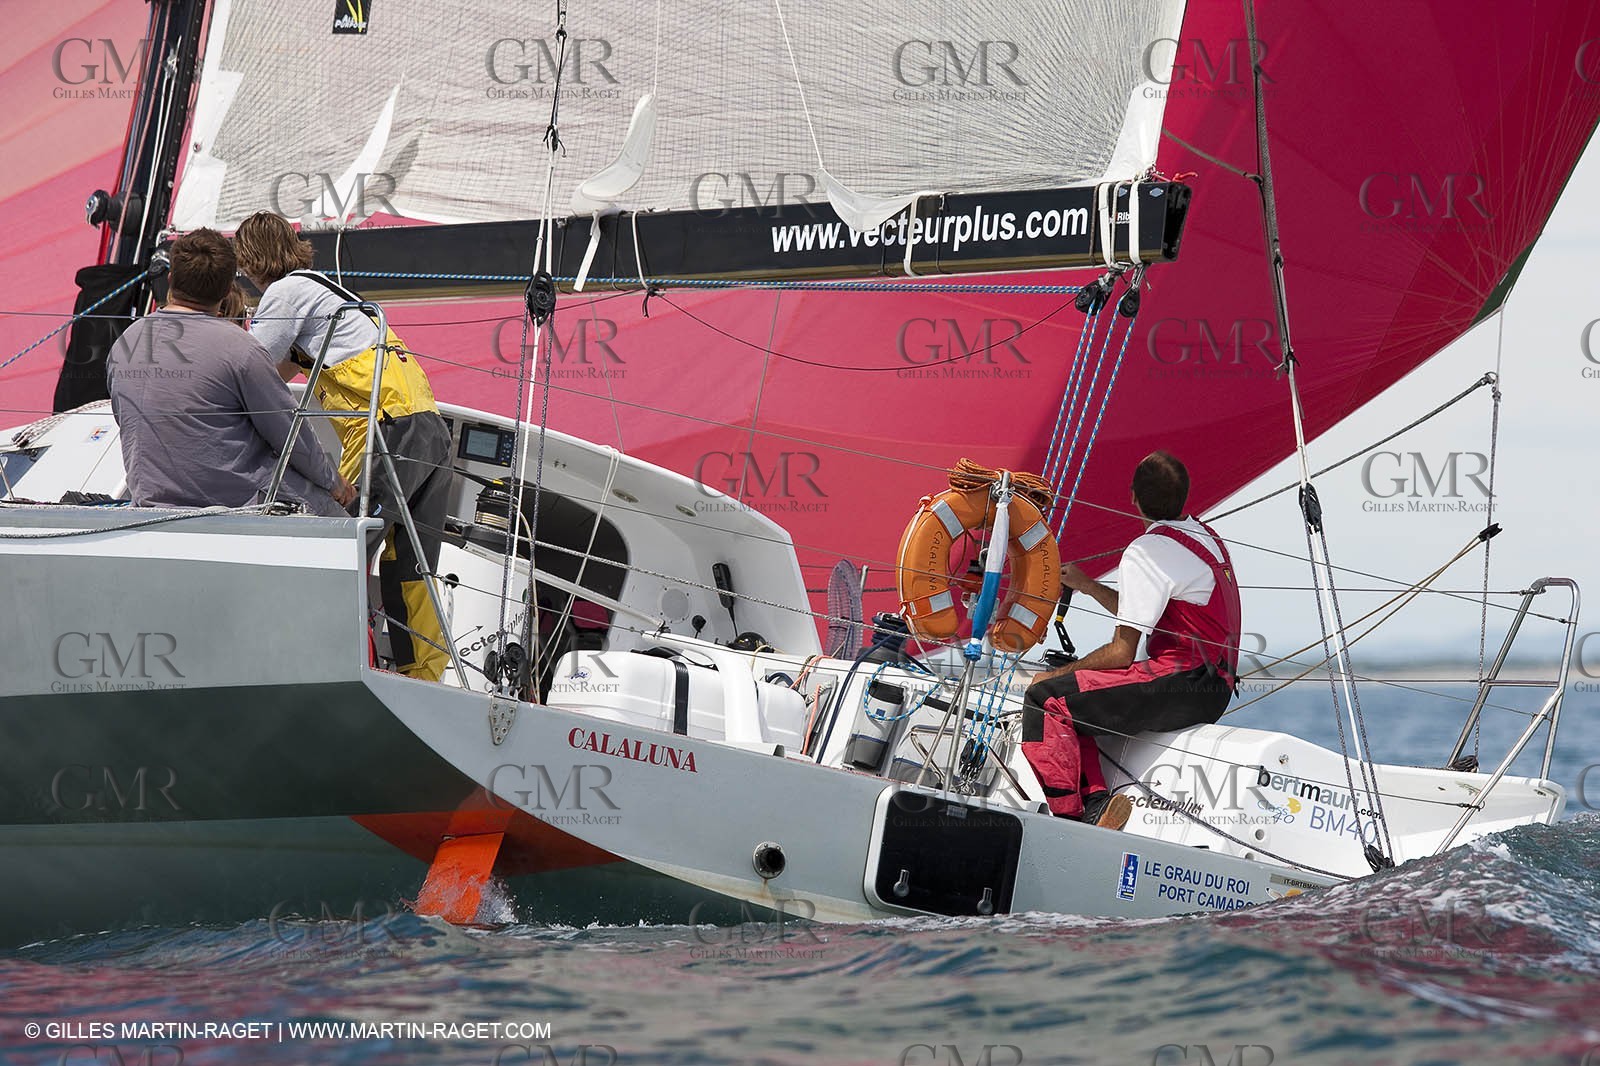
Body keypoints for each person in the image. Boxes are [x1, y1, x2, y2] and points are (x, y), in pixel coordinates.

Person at [233, 211, 452, 682]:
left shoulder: (283, 293)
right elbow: (281, 374)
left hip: (387, 428)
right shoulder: (325, 292)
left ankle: (308, 661)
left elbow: (249, 372)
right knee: (410, 563)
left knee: (338, 544)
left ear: (251, 260)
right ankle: (424, 678)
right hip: (427, 424)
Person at [1022, 451, 1241, 829]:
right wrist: (1088, 587)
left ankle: (1070, 821)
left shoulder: (1145, 551)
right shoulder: (1203, 536)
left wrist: (1048, 678)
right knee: (1070, 696)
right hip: (1211, 685)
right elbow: (1143, 612)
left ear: (1132, 497)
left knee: (1046, 698)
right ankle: (1097, 806)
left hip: (1182, 683)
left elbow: (1122, 652)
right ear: (1185, 498)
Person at [106, 228, 355, 516]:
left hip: (153, 504)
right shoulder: (241, 349)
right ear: (226, 292)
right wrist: (334, 483)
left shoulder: (125, 343)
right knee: (345, 525)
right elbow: (291, 437)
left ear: (171, 279)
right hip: (242, 506)